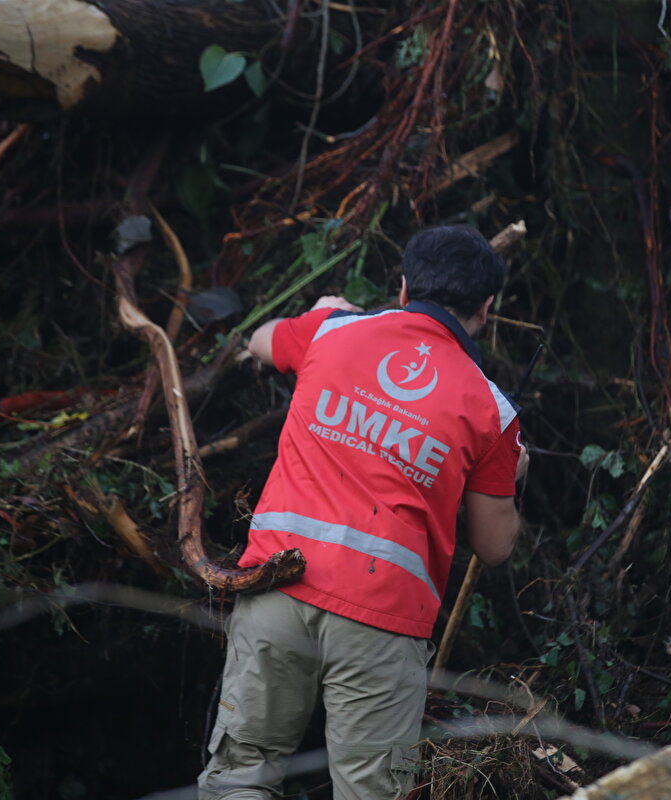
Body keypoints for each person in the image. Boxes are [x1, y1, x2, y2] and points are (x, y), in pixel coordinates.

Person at [198, 225, 529, 800]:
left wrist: (319, 309)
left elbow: (260, 339)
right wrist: (512, 472)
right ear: (486, 308)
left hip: (279, 587)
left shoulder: (333, 330)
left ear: (403, 287)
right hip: (383, 621)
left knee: (243, 775)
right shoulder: (493, 411)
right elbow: (495, 546)